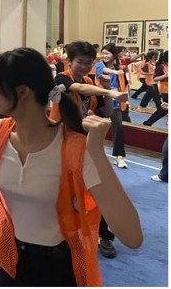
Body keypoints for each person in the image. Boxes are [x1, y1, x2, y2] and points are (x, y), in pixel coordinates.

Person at [0, 48, 143, 287]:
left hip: (60, 269)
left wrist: (97, 152)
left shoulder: (74, 147)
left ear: (23, 92)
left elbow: (132, 237)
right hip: (12, 259)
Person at [49, 40, 129, 259]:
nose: (84, 66)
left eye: (88, 63)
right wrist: (113, 92)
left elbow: (105, 112)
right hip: (62, 144)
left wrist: (106, 91)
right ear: (70, 61)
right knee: (61, 191)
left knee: (97, 188)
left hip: (86, 145)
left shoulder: (90, 80)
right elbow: (79, 89)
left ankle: (104, 235)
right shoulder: (61, 79)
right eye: (80, 62)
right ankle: (59, 233)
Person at [95, 43, 129, 168]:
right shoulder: (100, 65)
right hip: (100, 101)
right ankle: (92, 153)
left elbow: (125, 84)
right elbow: (104, 71)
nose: (104, 56)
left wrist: (126, 98)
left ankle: (119, 156)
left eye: (107, 53)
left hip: (115, 103)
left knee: (118, 128)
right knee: (95, 128)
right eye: (103, 53)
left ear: (114, 55)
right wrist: (115, 71)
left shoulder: (119, 67)